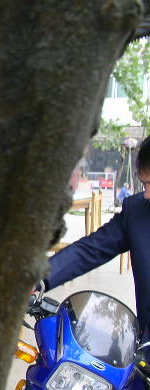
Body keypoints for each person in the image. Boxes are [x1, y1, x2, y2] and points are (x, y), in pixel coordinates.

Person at [46, 136, 150, 338]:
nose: (147, 195)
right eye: (145, 184)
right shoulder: (137, 211)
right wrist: (36, 280)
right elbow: (89, 250)